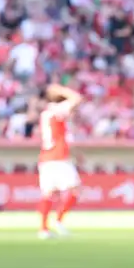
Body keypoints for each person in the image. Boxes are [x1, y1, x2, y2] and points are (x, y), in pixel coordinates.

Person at [36, 83, 84, 238]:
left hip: (47, 157)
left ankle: (44, 229)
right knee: (74, 189)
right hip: (58, 157)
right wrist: (61, 89)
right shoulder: (56, 109)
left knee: (49, 193)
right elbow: (77, 98)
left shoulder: (47, 113)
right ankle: (58, 221)